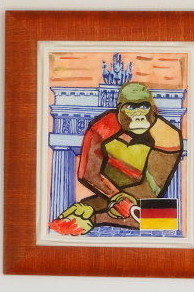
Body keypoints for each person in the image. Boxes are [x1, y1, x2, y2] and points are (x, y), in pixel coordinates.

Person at [50, 82, 183, 235]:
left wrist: (98, 207)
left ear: (154, 110)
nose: (139, 116)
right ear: (120, 109)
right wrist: (114, 196)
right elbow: (88, 173)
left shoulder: (168, 135)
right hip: (107, 190)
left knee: (168, 217)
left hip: (140, 196)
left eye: (144, 107)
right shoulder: (103, 126)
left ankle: (95, 219)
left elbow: (151, 189)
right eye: (131, 108)